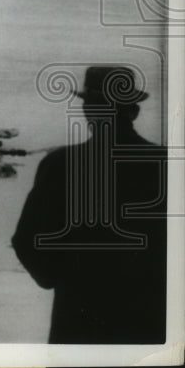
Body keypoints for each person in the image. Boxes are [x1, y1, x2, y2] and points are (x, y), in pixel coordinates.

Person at [12, 65, 167, 344]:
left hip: (78, 312)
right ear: (133, 111)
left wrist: (58, 279)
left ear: (88, 112)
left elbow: (27, 239)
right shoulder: (167, 165)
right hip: (150, 311)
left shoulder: (60, 164)